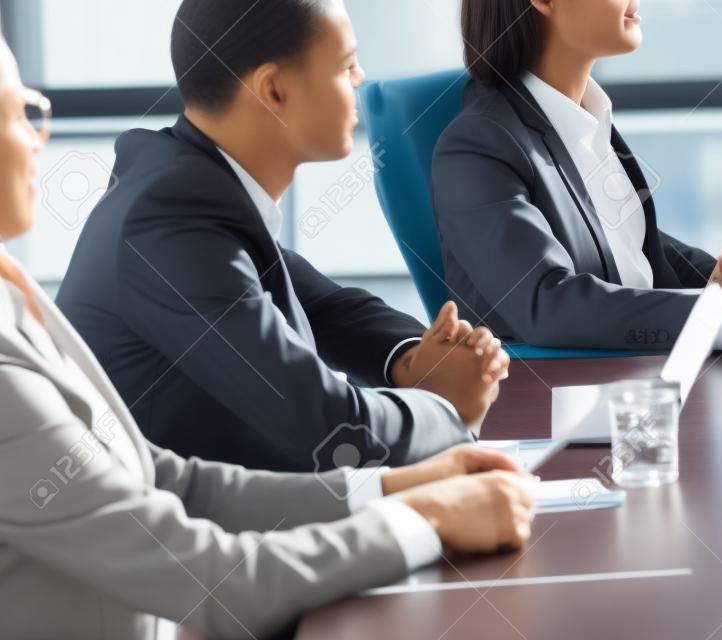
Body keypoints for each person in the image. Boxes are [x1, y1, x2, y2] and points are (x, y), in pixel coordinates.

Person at [0, 35, 535, 639]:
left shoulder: (20, 291)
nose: (37, 136)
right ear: (274, 87)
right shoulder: (168, 214)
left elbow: (172, 481)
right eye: (19, 113)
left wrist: (393, 483)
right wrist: (424, 516)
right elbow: (215, 581)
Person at [56, 0, 511, 473]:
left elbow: (329, 308)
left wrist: (415, 358)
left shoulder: (197, 186)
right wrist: (448, 408)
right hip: (172, 532)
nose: (360, 79)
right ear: (273, 90)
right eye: (347, 65)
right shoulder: (173, 222)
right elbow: (330, 429)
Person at [433, 0, 722, 351]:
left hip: (640, 376)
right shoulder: (479, 143)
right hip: (557, 408)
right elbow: (548, 305)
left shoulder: (586, 122)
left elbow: (636, 252)